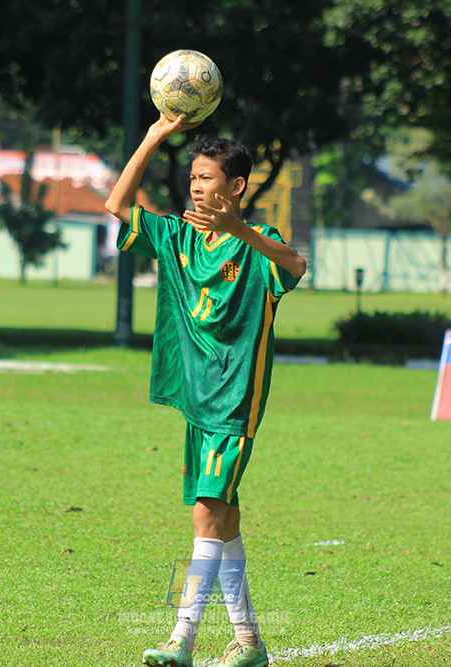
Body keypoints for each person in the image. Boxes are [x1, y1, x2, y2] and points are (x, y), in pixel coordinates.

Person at [105, 113, 306, 667]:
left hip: (234, 403)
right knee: (225, 520)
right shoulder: (178, 236)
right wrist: (151, 137)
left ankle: (182, 638)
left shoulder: (260, 242)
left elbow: (297, 265)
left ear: (235, 186)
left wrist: (241, 230)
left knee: (204, 512)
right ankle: (249, 645)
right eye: (192, 176)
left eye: (207, 176)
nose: (196, 184)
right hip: (197, 400)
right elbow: (117, 207)